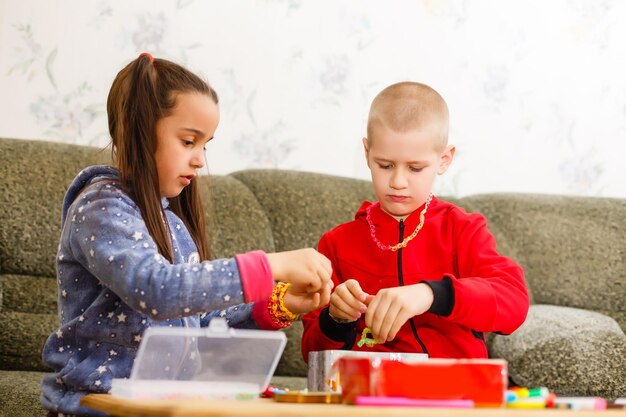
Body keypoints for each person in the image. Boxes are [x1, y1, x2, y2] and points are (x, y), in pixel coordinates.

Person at [41, 53, 332, 417]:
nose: (200, 159)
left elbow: (200, 322)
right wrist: (270, 265)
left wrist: (281, 303)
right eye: (189, 141)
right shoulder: (102, 209)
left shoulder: (174, 225)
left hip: (163, 405)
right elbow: (157, 290)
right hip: (95, 407)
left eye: (205, 145)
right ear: (140, 131)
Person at [301, 81, 529, 361]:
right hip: (370, 394)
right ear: (366, 153)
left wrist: (432, 294)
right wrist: (335, 319)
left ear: (444, 160)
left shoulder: (462, 230)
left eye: (415, 168)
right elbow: (311, 354)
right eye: (385, 165)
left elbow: (514, 304)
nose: (398, 182)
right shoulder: (336, 244)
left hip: (452, 392)